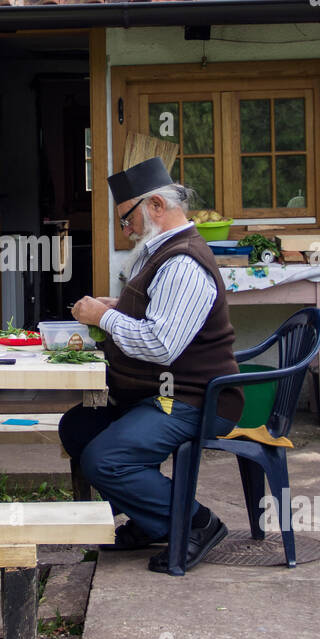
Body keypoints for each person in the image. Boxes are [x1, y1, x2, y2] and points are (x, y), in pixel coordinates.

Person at [60, 157, 243, 573]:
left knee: (105, 459)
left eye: (127, 219)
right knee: (78, 428)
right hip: (156, 393)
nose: (126, 230)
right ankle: (150, 518)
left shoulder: (183, 263)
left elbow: (161, 345)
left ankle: (197, 523)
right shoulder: (159, 252)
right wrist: (117, 307)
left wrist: (102, 317)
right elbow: (152, 314)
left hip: (191, 398)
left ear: (156, 206)